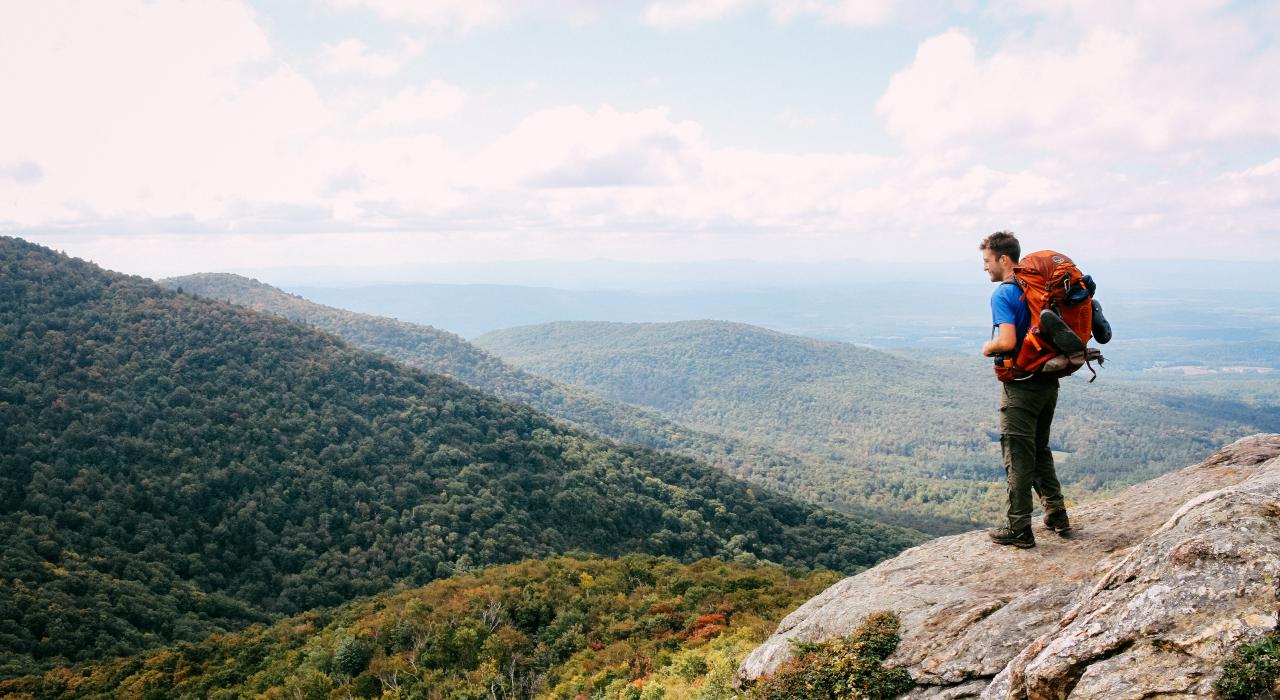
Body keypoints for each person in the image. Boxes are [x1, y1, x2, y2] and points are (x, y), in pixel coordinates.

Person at [979, 231, 1070, 548]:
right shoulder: (1035, 287)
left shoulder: (1003, 294)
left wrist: (987, 348)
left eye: (987, 261)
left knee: (1018, 457)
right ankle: (1057, 514)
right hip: (1048, 380)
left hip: (1021, 385)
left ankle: (1019, 528)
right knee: (1041, 449)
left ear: (1004, 259)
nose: (985, 268)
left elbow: (1007, 342)